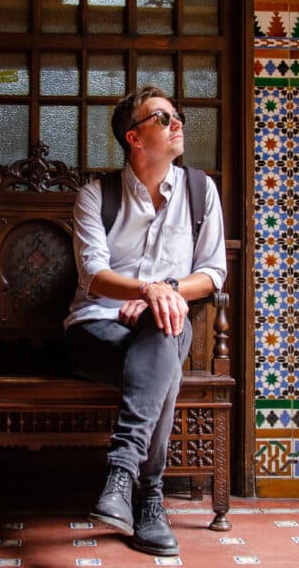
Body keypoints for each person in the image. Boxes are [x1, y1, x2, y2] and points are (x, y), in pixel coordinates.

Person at [63, 85, 226, 556]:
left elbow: (213, 272)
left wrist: (164, 293)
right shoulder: (96, 196)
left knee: (163, 329)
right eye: (162, 117)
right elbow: (93, 275)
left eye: (177, 115)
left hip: (164, 323)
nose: (177, 123)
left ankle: (122, 475)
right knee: (164, 365)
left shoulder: (201, 191)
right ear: (134, 138)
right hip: (96, 330)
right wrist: (147, 290)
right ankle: (150, 496)